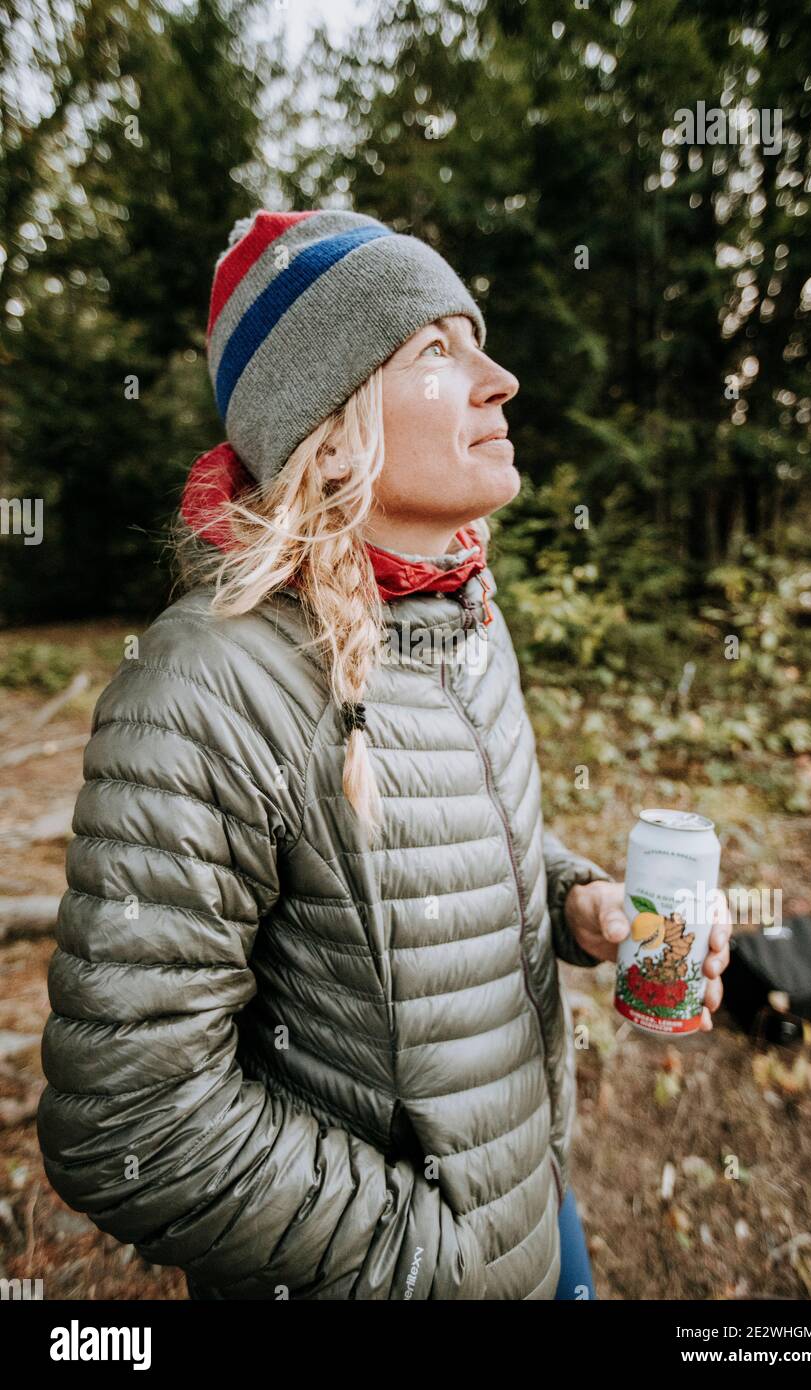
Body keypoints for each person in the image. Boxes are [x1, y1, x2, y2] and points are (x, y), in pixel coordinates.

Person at [36, 208, 730, 1300]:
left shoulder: (466, 619)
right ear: (331, 412)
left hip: (540, 1209)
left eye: (479, 340)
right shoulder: (206, 686)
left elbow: (445, 843)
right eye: (437, 352)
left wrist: (572, 899)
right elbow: (126, 1118)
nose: (499, 380)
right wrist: (431, 1255)